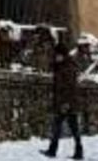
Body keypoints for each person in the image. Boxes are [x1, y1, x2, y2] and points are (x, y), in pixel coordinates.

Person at [41, 32, 83, 160]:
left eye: (57, 55)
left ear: (62, 55)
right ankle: (75, 151)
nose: (55, 57)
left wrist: (66, 103)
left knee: (64, 127)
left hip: (67, 103)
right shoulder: (61, 67)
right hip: (65, 102)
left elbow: (70, 87)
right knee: (67, 127)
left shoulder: (68, 68)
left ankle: (57, 150)